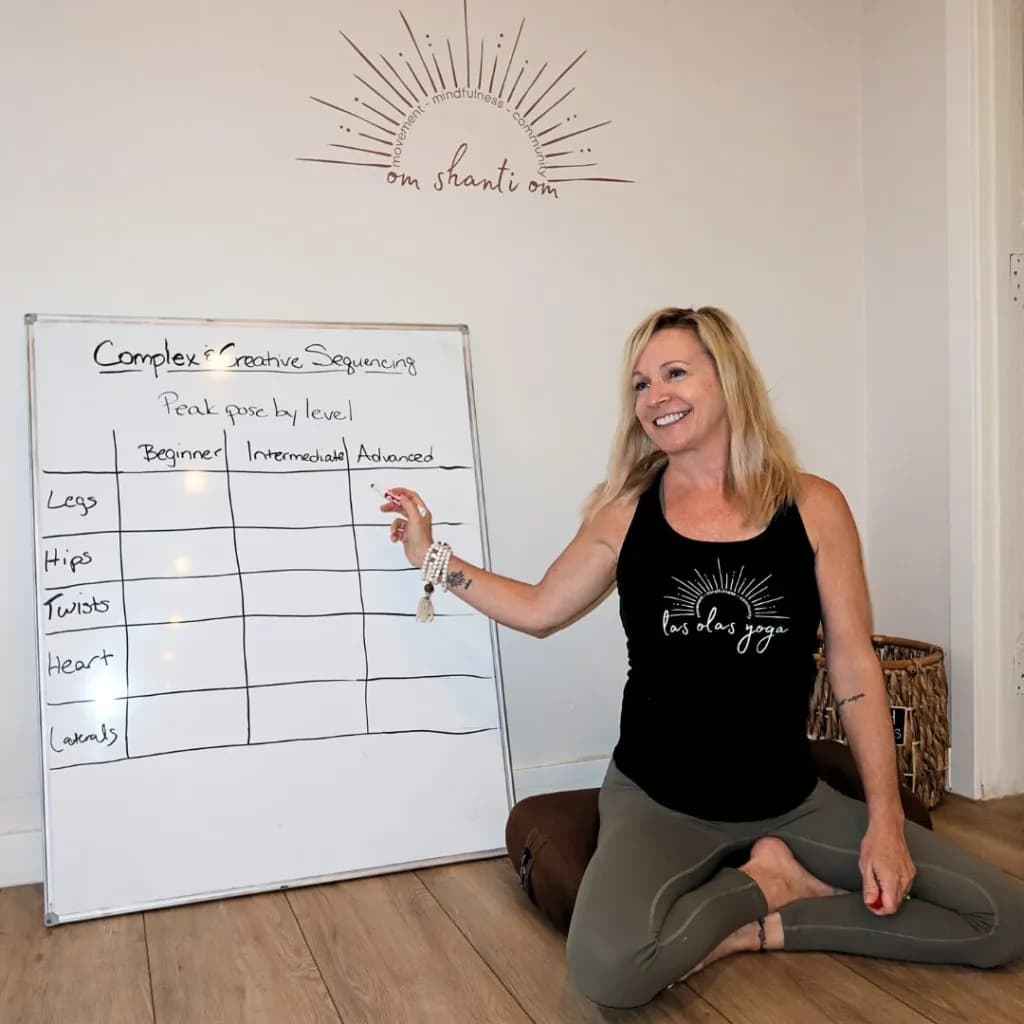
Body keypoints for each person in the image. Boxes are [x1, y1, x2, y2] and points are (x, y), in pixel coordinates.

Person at [378, 306, 1024, 1008]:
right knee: (607, 973)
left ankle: (766, 916)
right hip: (658, 802)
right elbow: (538, 610)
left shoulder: (814, 506)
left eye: (675, 373)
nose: (655, 397)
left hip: (790, 804)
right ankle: (765, 886)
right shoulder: (627, 513)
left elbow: (855, 669)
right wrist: (431, 556)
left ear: (729, 381)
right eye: (640, 384)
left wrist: (887, 820)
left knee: (1001, 919)